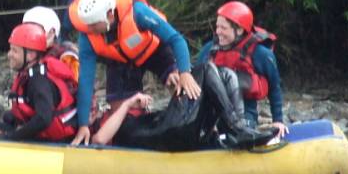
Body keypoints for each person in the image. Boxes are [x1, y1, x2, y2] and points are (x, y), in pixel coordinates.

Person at [68, 0, 202, 145]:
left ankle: (191, 131)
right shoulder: (87, 35)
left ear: (110, 15)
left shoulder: (137, 12)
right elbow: (86, 81)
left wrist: (185, 73)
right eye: (88, 26)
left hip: (152, 50)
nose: (90, 30)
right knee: (122, 113)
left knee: (177, 82)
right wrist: (83, 125)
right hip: (120, 60)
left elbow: (176, 39)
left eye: (95, 25)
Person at [90, 63, 273, 150]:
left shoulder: (115, 116)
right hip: (170, 133)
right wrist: (128, 104)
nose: (93, 106)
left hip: (173, 129)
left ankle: (234, 131)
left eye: (92, 103)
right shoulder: (100, 127)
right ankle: (236, 129)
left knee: (223, 74)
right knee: (205, 70)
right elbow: (99, 140)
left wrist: (174, 87)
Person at [196, 1, 288, 138]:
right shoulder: (210, 50)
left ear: (239, 30)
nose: (218, 32)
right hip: (212, 114)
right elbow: (195, 81)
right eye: (217, 27)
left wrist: (278, 121)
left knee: (237, 131)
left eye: (224, 28)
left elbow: (274, 88)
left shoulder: (261, 54)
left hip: (244, 115)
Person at [0, 22, 78, 142]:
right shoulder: (29, 74)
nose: (9, 55)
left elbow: (43, 119)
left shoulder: (38, 81)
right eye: (10, 50)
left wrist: (9, 138)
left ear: (30, 55)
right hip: (46, 135)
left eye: (14, 51)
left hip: (58, 142)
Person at [22, 5, 79, 81]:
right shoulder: (26, 55)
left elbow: (76, 85)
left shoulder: (66, 56)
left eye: (35, 29)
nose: (29, 34)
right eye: (27, 29)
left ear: (51, 33)